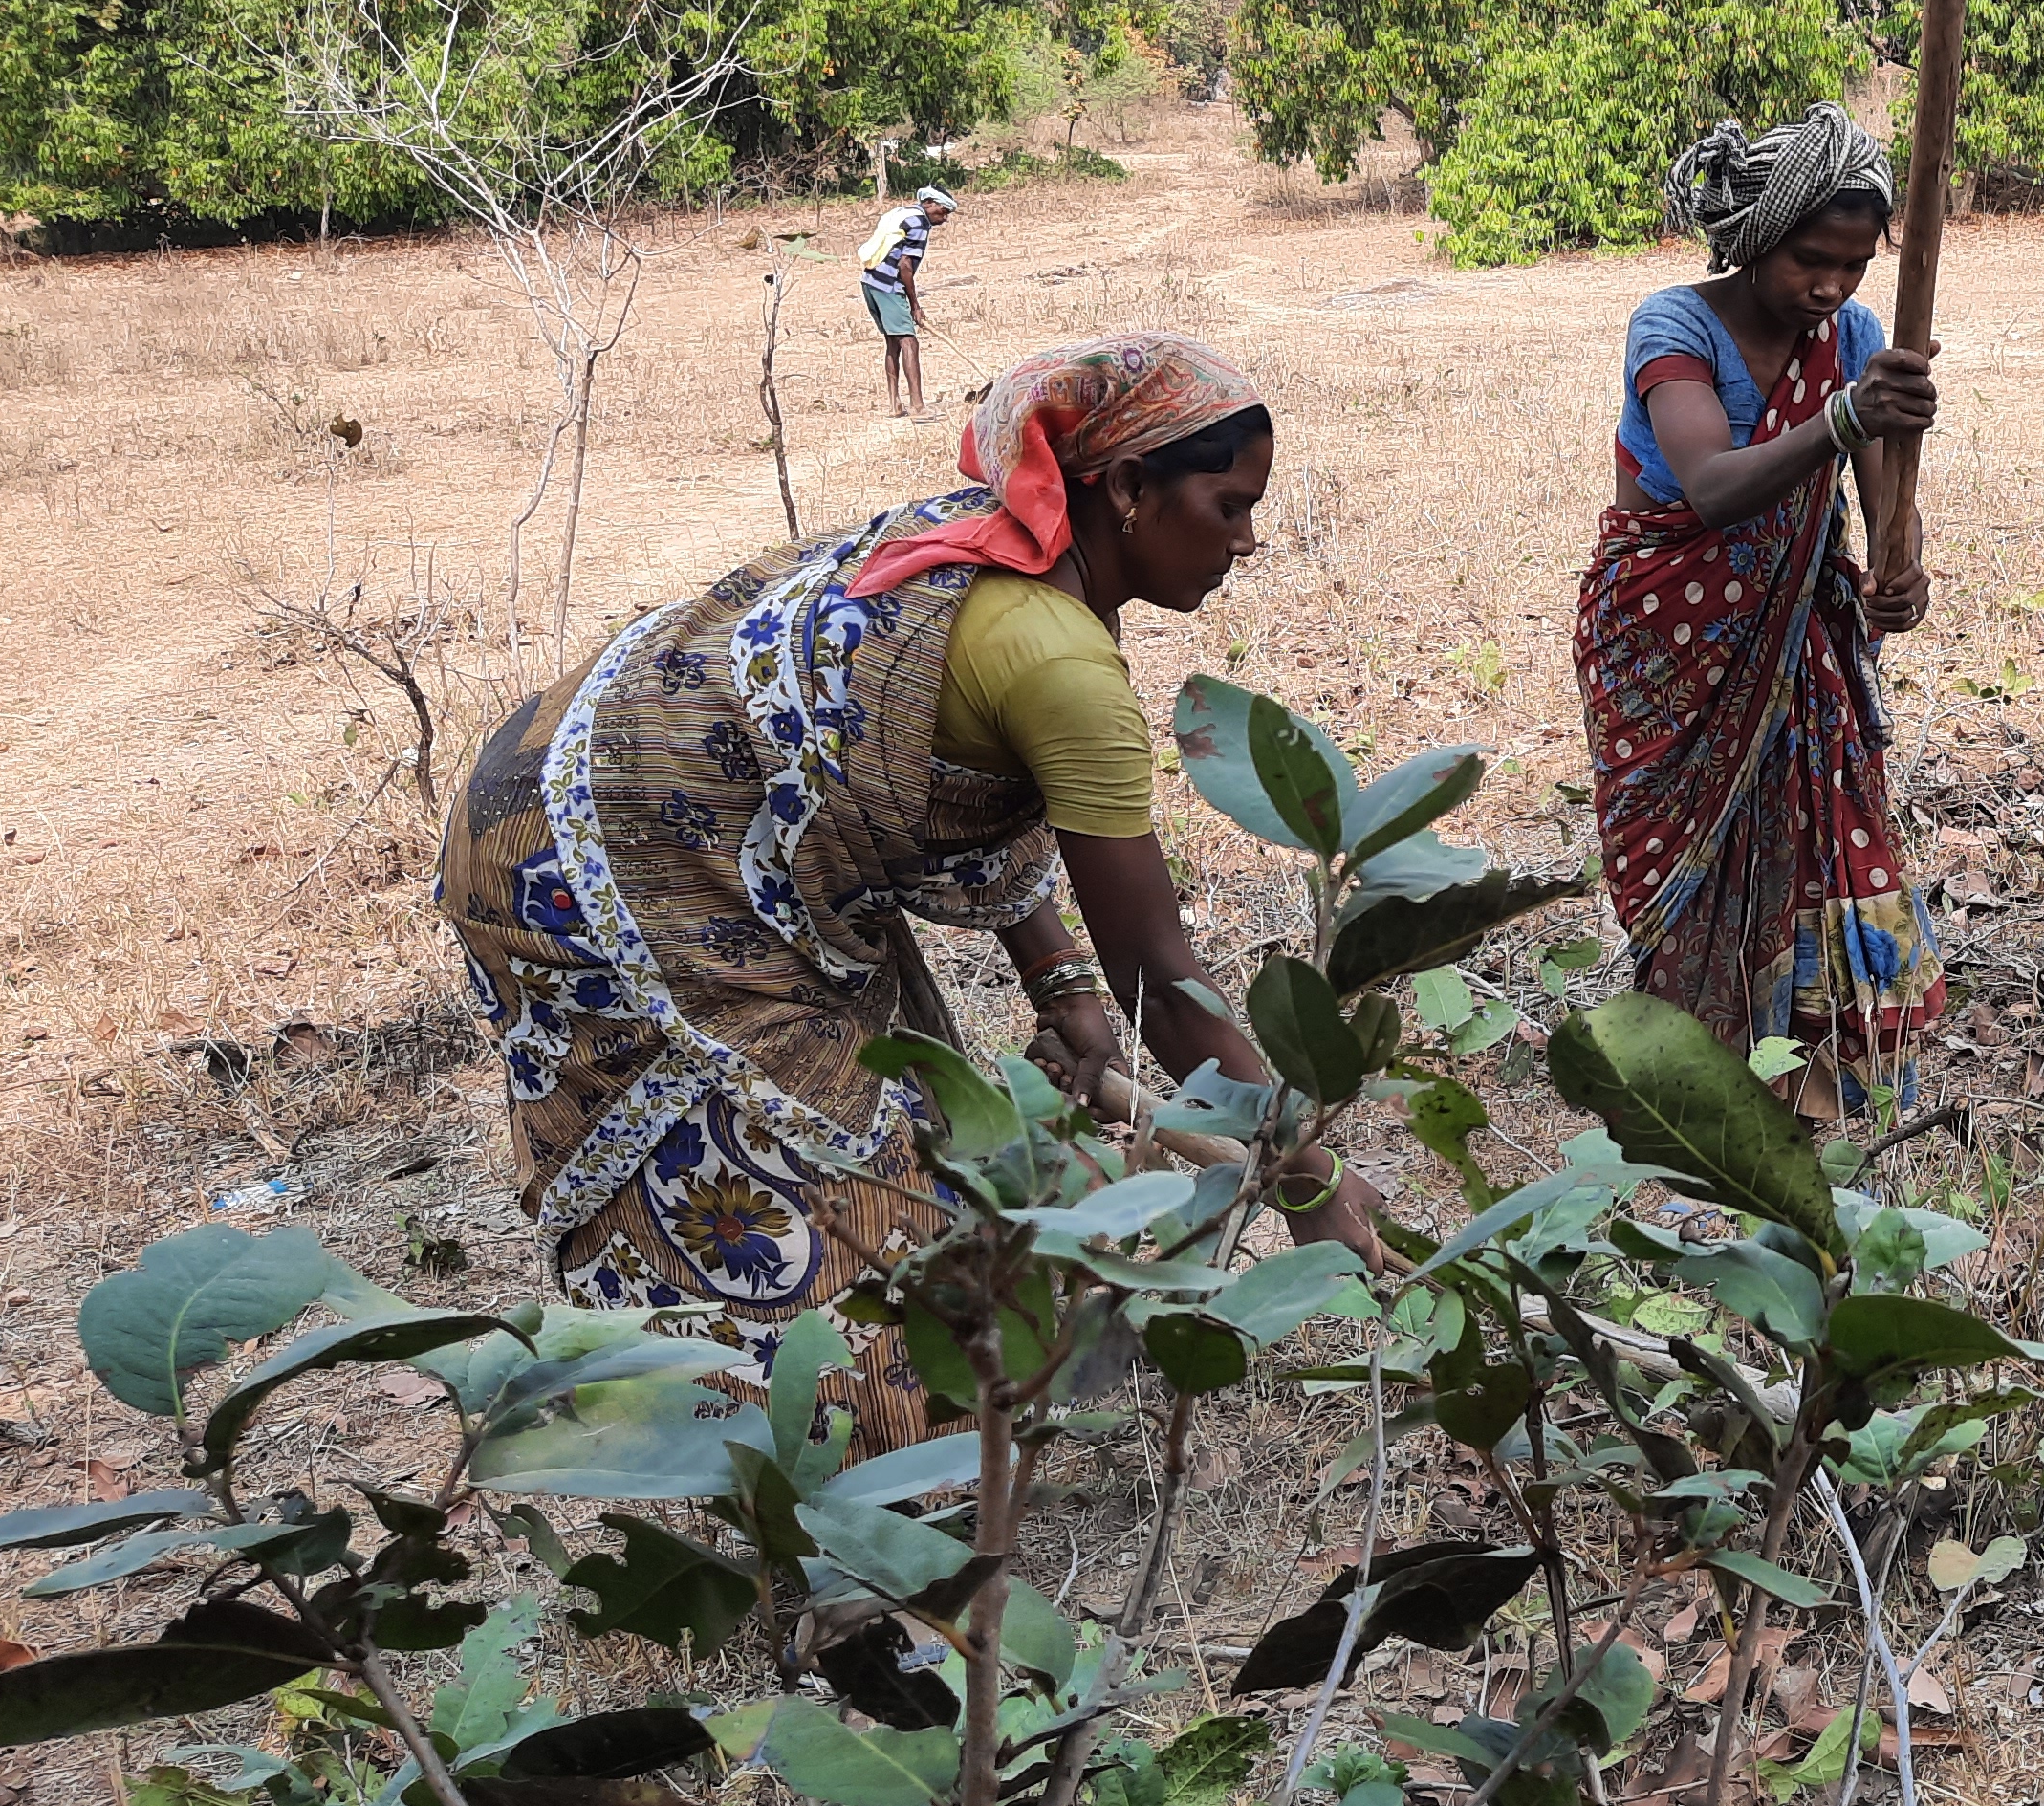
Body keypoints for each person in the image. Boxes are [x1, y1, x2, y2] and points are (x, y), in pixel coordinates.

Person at [437, 330, 1372, 1441]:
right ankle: (783, 1479)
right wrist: (1310, 1182)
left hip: (562, 788)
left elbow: (959, 777)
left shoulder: (995, 551)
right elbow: (1164, 987)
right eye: (1229, 505)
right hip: (594, 870)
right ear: (1127, 487)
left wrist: (1063, 989)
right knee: (817, 1202)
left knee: (905, 1148)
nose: (1250, 541)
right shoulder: (1059, 662)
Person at [1575, 106, 1948, 1119]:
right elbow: (1706, 484)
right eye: (1809, 261)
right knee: (1689, 866)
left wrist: (1896, 577)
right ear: (1754, 241)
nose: (1829, 288)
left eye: (1854, 266)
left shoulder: (1856, 340)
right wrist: (1844, 416)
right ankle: (1694, 1080)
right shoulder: (1673, 326)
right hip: (1668, 639)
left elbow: (1881, 515)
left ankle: (1825, 1082)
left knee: (1823, 842)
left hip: (1797, 644)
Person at [862, 185, 957, 418]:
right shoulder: (920, 224)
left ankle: (894, 404)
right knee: (909, 343)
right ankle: (917, 406)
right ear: (929, 204)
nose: (944, 219)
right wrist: (915, 305)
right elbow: (905, 266)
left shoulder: (903, 212)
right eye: (943, 212)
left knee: (892, 343)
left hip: (870, 280)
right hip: (888, 286)